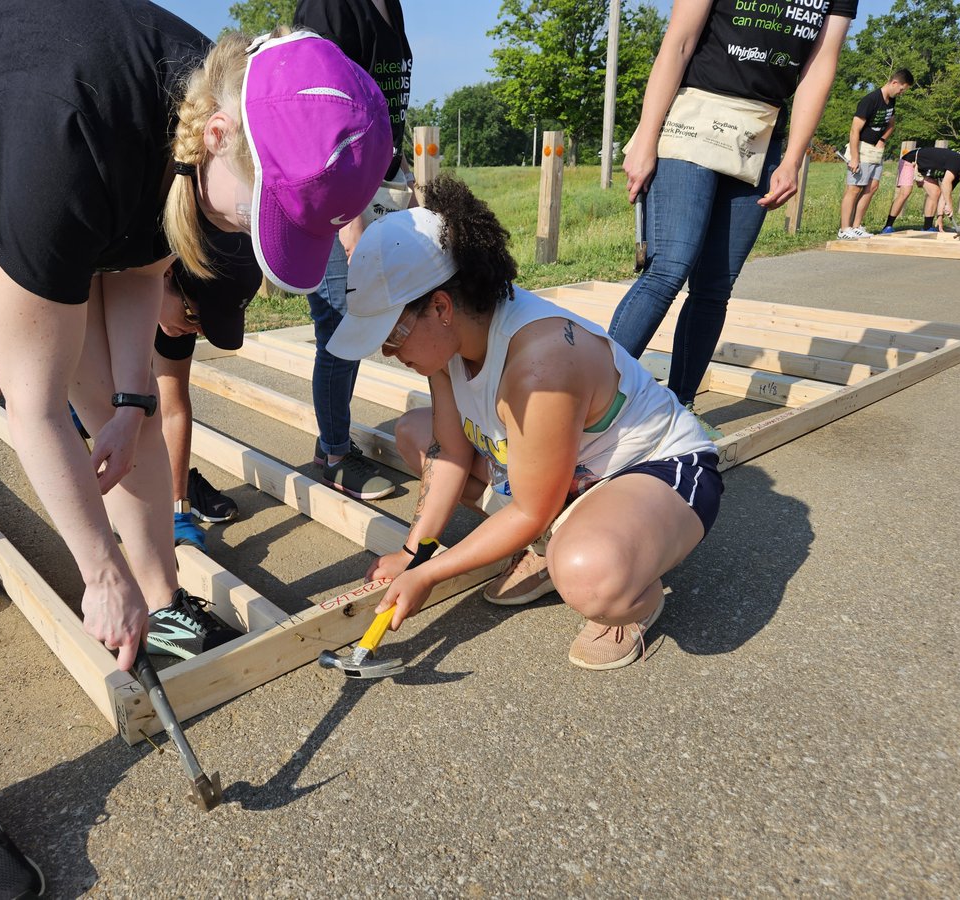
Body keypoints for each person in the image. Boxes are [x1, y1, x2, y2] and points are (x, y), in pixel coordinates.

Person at [0, 1, 391, 895]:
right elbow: (34, 400)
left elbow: (143, 254)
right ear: (216, 135)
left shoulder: (204, 122)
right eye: (272, 210)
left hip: (1, 154)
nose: (263, 235)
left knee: (108, 401)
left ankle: (164, 601)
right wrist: (98, 570)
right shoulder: (77, 125)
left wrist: (132, 399)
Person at [327, 177, 722, 672]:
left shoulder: (541, 365)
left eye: (390, 334)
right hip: (564, 477)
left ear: (441, 307)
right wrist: (415, 552)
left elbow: (532, 507)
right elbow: (450, 450)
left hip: (656, 469)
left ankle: (631, 598)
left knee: (588, 574)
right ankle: (553, 542)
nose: (387, 351)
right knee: (413, 433)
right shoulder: (448, 346)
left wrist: (430, 576)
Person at [608, 0, 857, 439]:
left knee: (715, 287)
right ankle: (592, 402)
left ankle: (679, 408)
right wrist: (646, 138)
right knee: (669, 267)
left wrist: (794, 158)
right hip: (694, 117)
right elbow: (680, 42)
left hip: (761, 134)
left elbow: (820, 65)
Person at [294, 0, 417, 500]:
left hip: (376, 185)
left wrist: (401, 169)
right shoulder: (330, 6)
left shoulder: (391, 7)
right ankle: (335, 453)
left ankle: (334, 443)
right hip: (334, 191)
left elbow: (385, 103)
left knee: (356, 317)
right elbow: (317, 115)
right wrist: (348, 216)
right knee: (341, 323)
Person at [155, 229, 262, 550]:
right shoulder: (104, 284)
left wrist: (177, 509)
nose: (196, 330)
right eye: (195, 317)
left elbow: (172, 408)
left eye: (206, 324)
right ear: (167, 273)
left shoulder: (183, 306)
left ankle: (177, 484)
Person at [837, 69, 913, 240]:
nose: (901, 93)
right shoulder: (870, 100)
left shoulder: (891, 101)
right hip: (861, 149)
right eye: (901, 89)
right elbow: (854, 130)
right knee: (854, 188)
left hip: (876, 150)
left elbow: (891, 124)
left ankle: (856, 226)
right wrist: (855, 157)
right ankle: (844, 228)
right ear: (894, 83)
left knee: (872, 188)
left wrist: (883, 139)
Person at [881, 147, 960, 234]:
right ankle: (887, 227)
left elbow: (944, 195)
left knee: (936, 192)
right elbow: (946, 183)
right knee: (906, 192)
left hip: (924, 170)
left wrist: (940, 217)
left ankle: (927, 227)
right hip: (910, 161)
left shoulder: (957, 175)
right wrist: (950, 205)